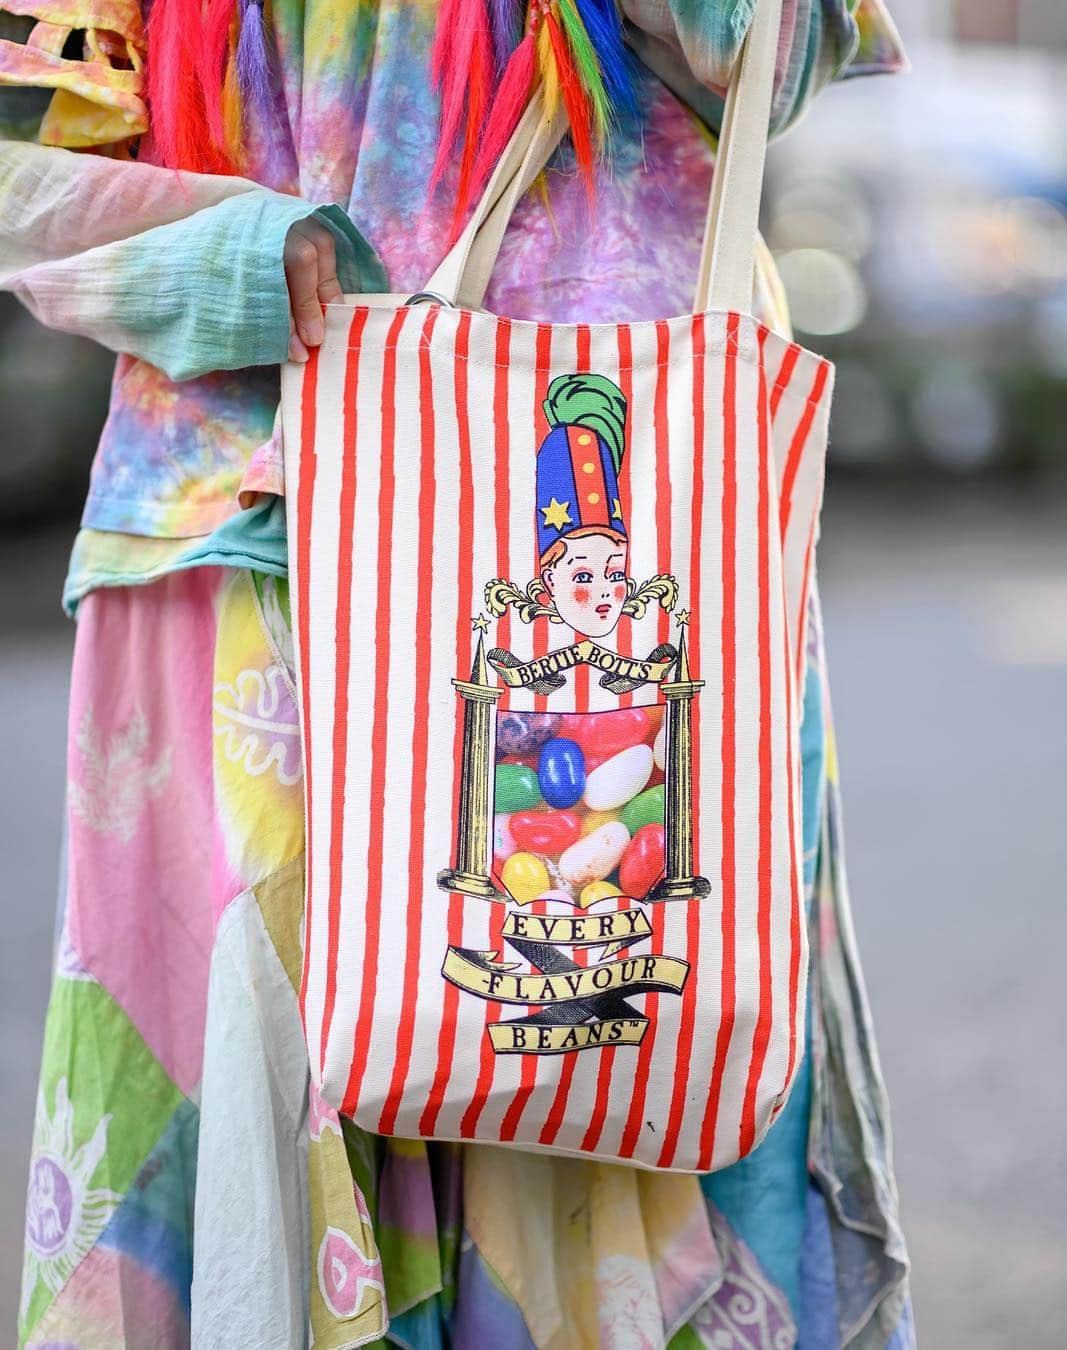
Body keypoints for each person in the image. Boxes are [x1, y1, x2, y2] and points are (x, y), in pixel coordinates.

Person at [1, 1, 915, 1344]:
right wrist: (236, 255)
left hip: (629, 550)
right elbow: (22, 167)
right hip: (247, 550)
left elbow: (764, 50)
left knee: (633, 1064)